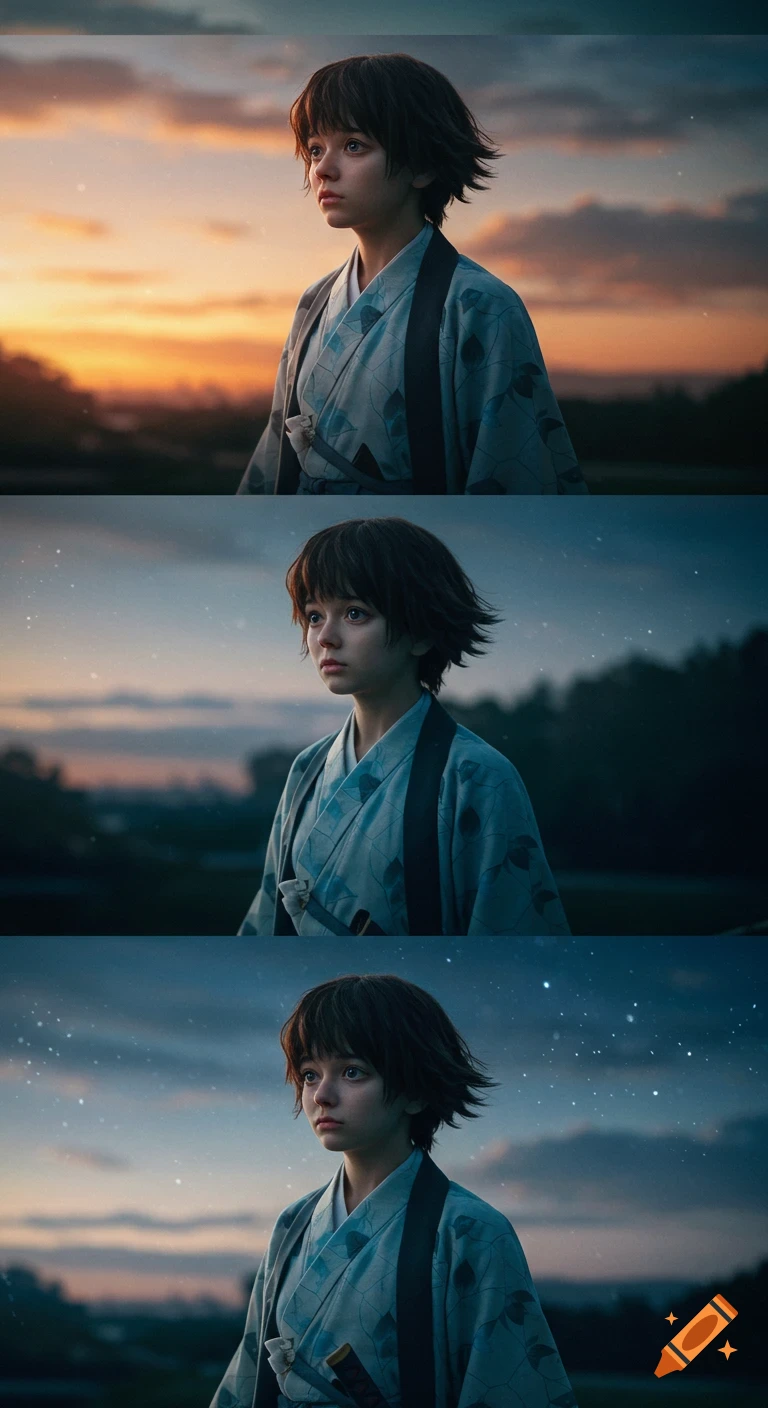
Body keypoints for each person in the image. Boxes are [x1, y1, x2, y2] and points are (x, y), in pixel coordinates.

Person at [210, 974, 576, 1408]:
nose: (322, 1095)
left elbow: (508, 1386)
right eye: (309, 1074)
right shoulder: (293, 1223)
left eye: (351, 1072)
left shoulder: (471, 1230)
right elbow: (249, 1374)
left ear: (416, 1091)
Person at [238, 53, 586, 497]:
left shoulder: (478, 304)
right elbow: (276, 453)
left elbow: (512, 468)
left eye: (354, 145)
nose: (322, 168)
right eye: (314, 149)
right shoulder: (315, 301)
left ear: (422, 165)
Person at [240, 517, 569, 937]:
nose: (325, 637)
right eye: (314, 615)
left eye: (355, 613)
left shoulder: (478, 775)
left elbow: (514, 930)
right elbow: (266, 921)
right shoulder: (307, 769)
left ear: (420, 632)